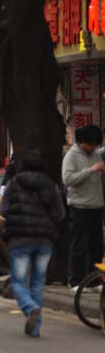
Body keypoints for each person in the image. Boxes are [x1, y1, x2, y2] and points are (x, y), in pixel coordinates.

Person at [0, 149, 65, 337]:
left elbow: (3, 211)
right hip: (44, 240)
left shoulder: (14, 184)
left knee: (19, 281)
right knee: (38, 282)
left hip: (19, 238)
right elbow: (60, 214)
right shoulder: (51, 186)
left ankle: (29, 308)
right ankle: (35, 329)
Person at [62, 124, 105, 291]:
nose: (93, 147)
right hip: (79, 206)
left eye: (96, 144)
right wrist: (90, 170)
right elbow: (67, 179)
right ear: (81, 142)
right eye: (91, 143)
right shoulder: (71, 157)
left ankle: (93, 280)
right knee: (79, 245)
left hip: (96, 205)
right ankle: (75, 281)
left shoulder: (95, 155)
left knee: (96, 245)